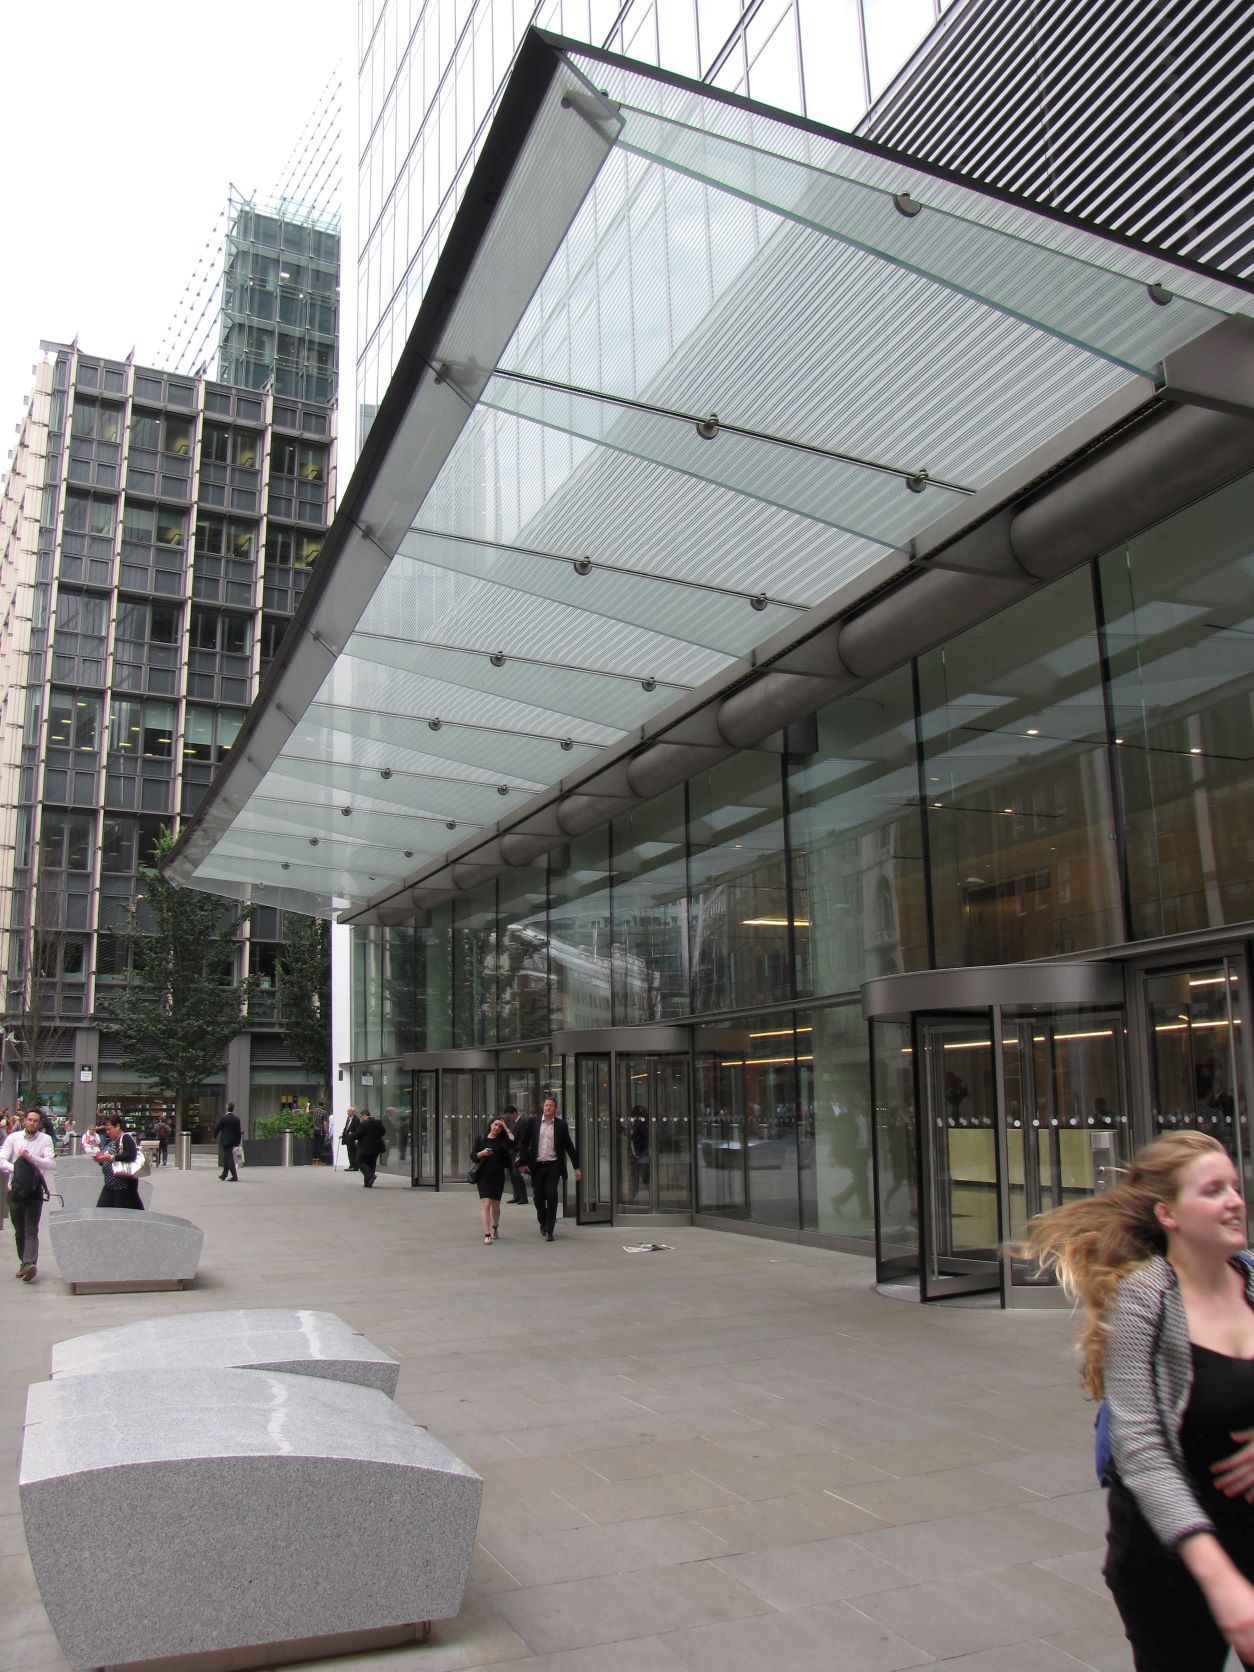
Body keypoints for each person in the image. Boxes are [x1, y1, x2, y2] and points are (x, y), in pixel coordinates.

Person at [1024, 1131, 1254, 1670]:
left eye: (1236, 1187)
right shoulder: (1145, 1298)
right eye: (1214, 1190)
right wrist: (1221, 1581)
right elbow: (1142, 1451)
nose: (1235, 1200)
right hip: (1171, 1557)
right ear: (1168, 1214)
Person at [0, 1106, 57, 1280]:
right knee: (19, 1230)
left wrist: (31, 1158)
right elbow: (2, 1160)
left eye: (35, 1121)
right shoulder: (13, 1138)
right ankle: (24, 1263)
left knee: (31, 1229)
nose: (32, 1123)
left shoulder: (45, 1139)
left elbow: (50, 1163)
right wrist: (17, 1170)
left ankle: (30, 1264)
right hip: (15, 1190)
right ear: (24, 1121)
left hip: (34, 1191)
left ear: (39, 1123)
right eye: (29, 1120)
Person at [517, 1095, 580, 1241]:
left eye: (551, 1105)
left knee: (551, 1195)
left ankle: (550, 1229)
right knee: (538, 1198)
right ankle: (543, 1221)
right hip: (537, 1166)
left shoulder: (561, 1125)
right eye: (546, 1105)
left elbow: (569, 1147)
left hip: (553, 1165)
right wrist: (522, 1163)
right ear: (542, 1107)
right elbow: (524, 1144)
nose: (548, 1108)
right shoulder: (533, 1122)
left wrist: (577, 1167)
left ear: (555, 1108)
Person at [472, 1117, 515, 1244]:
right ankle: (487, 1234)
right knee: (486, 1204)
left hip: (498, 1176)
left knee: (496, 1206)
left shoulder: (502, 1141)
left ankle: (495, 1227)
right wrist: (482, 1153)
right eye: (495, 1124)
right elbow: (473, 1156)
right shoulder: (481, 1139)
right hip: (483, 1176)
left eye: (500, 1126)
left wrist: (506, 1128)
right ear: (490, 1125)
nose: (497, 1128)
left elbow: (513, 1141)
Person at [91, 1115, 144, 1209]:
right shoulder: (111, 1142)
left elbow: (131, 1156)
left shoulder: (126, 1138)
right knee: (101, 1211)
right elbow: (107, 1160)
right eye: (106, 1130)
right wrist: (100, 1159)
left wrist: (111, 1157)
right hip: (110, 1185)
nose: (107, 1132)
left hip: (122, 1186)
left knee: (121, 1215)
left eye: (109, 1129)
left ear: (118, 1126)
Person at [503, 1104, 528, 1205]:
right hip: (512, 1152)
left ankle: (523, 1197)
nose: (509, 1119)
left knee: (516, 1174)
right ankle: (516, 1195)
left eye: (509, 1116)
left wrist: (519, 1151)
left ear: (514, 1113)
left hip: (518, 1152)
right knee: (513, 1175)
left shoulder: (522, 1122)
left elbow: (522, 1139)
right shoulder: (513, 1123)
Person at [354, 1108, 386, 1188]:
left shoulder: (363, 1124)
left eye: (361, 1116)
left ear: (364, 1115)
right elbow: (383, 1131)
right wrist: (376, 1138)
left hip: (365, 1147)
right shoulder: (378, 1122)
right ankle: (368, 1183)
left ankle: (370, 1175)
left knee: (360, 1161)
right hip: (377, 1146)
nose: (361, 1118)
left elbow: (358, 1135)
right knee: (372, 1163)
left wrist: (352, 1136)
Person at [213, 1102, 242, 1182]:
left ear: (227, 1108)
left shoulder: (224, 1118)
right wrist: (238, 1141)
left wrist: (214, 1136)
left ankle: (234, 1176)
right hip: (233, 1141)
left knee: (229, 1158)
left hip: (225, 1141)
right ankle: (224, 1175)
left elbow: (218, 1128)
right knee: (226, 1157)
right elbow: (238, 1131)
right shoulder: (237, 1119)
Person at [342, 1107, 361, 1172]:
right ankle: (351, 1165)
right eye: (347, 1111)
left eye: (349, 1111)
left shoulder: (356, 1119)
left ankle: (355, 1166)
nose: (348, 1113)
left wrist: (356, 1139)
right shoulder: (348, 1118)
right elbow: (346, 1128)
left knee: (353, 1152)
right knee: (349, 1152)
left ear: (353, 1112)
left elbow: (357, 1130)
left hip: (353, 1138)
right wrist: (342, 1134)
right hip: (348, 1138)